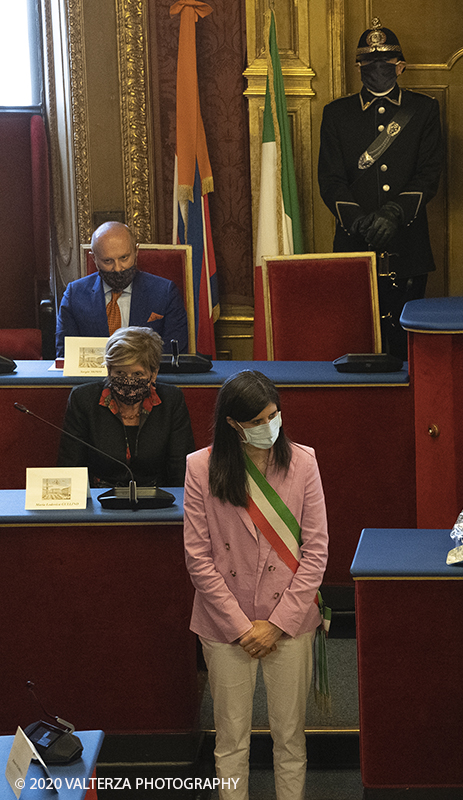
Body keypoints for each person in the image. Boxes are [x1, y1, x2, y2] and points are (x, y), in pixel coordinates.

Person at [183, 370, 329, 800]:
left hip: (290, 621)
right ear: (233, 423)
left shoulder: (304, 461)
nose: (271, 426)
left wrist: (278, 623)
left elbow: (316, 550)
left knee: (290, 739)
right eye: (258, 420)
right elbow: (198, 557)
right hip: (227, 626)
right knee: (231, 742)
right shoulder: (200, 467)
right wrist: (243, 627)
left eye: (274, 415)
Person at [317, 18, 443, 356]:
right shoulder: (336, 114)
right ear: (358, 67)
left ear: (400, 66)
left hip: (408, 244)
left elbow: (429, 173)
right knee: (357, 345)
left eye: (385, 61)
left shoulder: (423, 110)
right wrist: (358, 221)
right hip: (354, 246)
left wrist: (393, 213)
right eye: (368, 62)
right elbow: (330, 179)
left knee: (405, 349)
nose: (377, 68)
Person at [57, 327, 194, 487]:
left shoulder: (171, 400)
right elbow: (71, 466)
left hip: (156, 500)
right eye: (120, 373)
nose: (128, 380)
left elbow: (180, 468)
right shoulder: (83, 399)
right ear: (108, 370)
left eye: (137, 375)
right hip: (100, 500)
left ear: (153, 373)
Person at [55, 221, 188, 357]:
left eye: (124, 258)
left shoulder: (164, 292)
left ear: (136, 251)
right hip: (92, 378)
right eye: (108, 261)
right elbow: (65, 355)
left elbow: (175, 352)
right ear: (94, 258)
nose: (118, 268)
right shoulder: (74, 295)